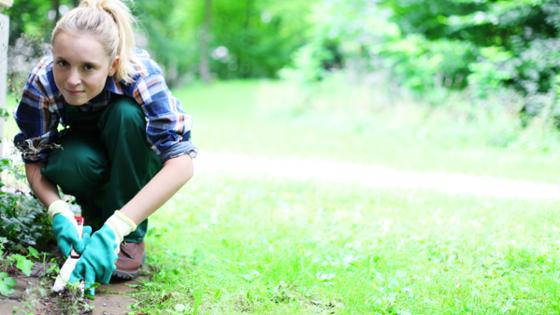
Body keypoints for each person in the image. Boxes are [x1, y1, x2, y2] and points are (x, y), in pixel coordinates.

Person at [13, 0, 196, 296]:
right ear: (53, 56)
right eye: (63, 63)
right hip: (86, 156)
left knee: (126, 115)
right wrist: (57, 210)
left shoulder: (140, 74)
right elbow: (35, 158)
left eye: (88, 67)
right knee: (69, 160)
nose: (72, 80)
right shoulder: (43, 81)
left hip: (135, 156)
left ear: (112, 65)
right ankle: (92, 223)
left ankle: (126, 237)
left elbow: (182, 162)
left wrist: (118, 228)